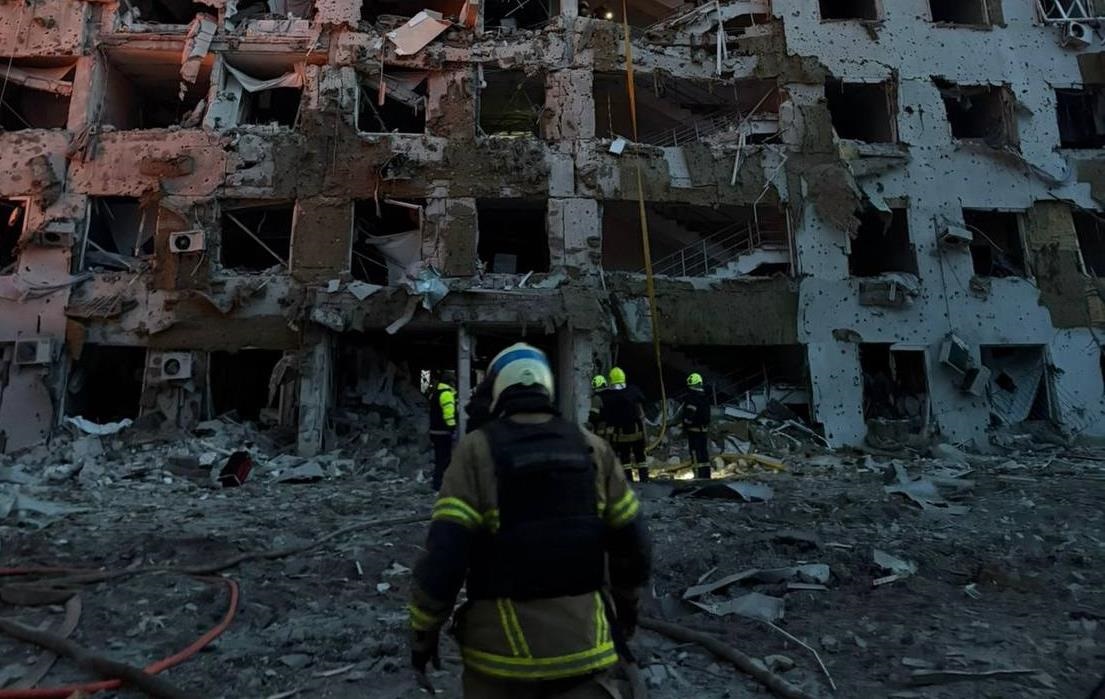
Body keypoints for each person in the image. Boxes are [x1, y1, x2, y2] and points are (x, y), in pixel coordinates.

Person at [408, 343, 652, 699]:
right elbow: (633, 545)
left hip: (500, 661)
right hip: (586, 651)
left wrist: (423, 633)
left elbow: (445, 556)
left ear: (497, 389)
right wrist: (626, 612)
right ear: (547, 386)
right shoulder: (593, 448)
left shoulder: (476, 450)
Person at [603, 367, 649, 483]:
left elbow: (609, 417)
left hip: (621, 433)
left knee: (625, 457)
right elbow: (641, 409)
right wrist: (645, 432)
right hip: (637, 430)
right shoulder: (634, 391)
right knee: (640, 456)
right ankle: (644, 478)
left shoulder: (610, 396)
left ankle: (628, 479)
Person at [428, 370, 457, 490]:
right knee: (445, 459)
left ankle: (437, 483)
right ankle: (440, 484)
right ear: (450, 382)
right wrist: (452, 427)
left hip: (434, 431)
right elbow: (448, 413)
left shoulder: (435, 393)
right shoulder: (446, 394)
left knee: (439, 459)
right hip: (443, 432)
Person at [681, 372, 712, 480]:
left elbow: (689, 415)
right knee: (704, 454)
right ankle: (706, 476)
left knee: (695, 454)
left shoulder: (692, 398)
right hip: (703, 431)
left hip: (694, 432)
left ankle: (698, 477)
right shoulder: (704, 397)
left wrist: (684, 425)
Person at [587, 374, 609, 438]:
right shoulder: (610, 395)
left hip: (601, 430)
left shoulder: (597, 398)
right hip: (612, 430)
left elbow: (593, 415)